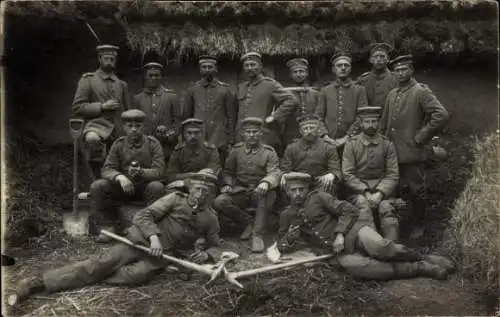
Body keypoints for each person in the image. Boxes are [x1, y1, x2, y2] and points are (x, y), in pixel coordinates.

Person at [8, 171, 223, 307]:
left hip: (162, 258)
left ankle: (88, 276)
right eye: (197, 188)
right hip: (140, 241)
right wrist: (154, 238)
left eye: (206, 191)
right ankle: (37, 283)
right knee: (102, 264)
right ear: (190, 188)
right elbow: (143, 215)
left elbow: (216, 245)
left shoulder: (211, 218)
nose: (201, 194)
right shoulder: (175, 199)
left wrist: (206, 254)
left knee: (134, 276)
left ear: (212, 194)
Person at [276, 172, 455, 281]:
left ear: (307, 189)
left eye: (301, 189)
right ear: (287, 192)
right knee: (373, 270)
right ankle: (420, 267)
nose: (298, 194)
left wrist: (339, 234)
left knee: (381, 248)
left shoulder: (319, 197)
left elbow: (349, 210)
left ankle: (426, 257)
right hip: (336, 252)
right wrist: (289, 240)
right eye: (294, 190)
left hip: (354, 231)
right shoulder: (286, 215)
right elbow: (281, 246)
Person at [379, 55, 450, 239]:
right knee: (394, 188)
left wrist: (420, 137)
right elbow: (385, 123)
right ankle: (395, 225)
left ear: (412, 71)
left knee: (416, 189)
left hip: (412, 151)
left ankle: (418, 224)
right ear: (393, 73)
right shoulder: (392, 94)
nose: (401, 73)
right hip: (392, 151)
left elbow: (440, 115)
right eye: (397, 70)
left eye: (404, 69)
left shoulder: (420, 91)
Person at [90, 109, 165, 243]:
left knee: (157, 186)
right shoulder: (118, 144)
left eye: (138, 126)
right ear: (124, 127)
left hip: (144, 188)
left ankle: (151, 230)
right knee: (98, 186)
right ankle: (108, 227)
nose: (134, 129)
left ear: (144, 126)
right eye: (130, 126)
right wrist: (120, 177)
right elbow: (107, 168)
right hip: (123, 188)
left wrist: (142, 172)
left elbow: (159, 171)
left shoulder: (153, 144)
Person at [213, 117, 281, 253]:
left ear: (261, 134)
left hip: (260, 191)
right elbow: (228, 172)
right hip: (241, 190)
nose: (251, 135)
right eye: (248, 132)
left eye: (255, 132)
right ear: (242, 134)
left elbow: (275, 172)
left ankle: (257, 234)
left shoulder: (269, 152)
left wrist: (266, 182)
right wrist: (228, 184)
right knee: (220, 201)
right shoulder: (236, 151)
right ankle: (248, 222)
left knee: (265, 195)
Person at [72, 45, 131, 177]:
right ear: (99, 59)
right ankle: (97, 179)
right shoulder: (88, 80)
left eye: (112, 58)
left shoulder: (122, 84)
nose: (110, 60)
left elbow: (128, 111)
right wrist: (102, 106)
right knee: (92, 139)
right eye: (106, 58)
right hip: (97, 126)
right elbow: (77, 108)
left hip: (118, 128)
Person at [342, 107, 400, 241]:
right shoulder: (351, 144)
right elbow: (347, 174)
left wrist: (380, 193)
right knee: (363, 205)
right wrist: (366, 192)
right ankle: (371, 243)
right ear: (361, 124)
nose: (371, 125)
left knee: (386, 208)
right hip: (358, 192)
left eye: (374, 121)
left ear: (378, 123)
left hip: (383, 190)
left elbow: (393, 174)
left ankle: (392, 245)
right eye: (367, 122)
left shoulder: (387, 144)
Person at [236, 52, 299, 156]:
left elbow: (292, 100)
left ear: (260, 66)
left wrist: (274, 117)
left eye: (253, 64)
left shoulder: (270, 84)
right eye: (247, 65)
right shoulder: (241, 87)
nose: (250, 68)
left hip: (263, 134)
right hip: (242, 136)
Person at [183, 55, 236, 166]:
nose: (207, 70)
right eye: (204, 67)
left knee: (219, 165)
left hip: (220, 137)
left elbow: (231, 116)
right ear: (200, 70)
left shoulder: (225, 90)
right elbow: (187, 116)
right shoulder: (192, 89)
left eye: (210, 67)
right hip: (198, 135)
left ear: (215, 69)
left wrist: (231, 139)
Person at [316, 52, 368, 156]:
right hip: (328, 142)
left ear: (350, 68)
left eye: (346, 65)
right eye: (339, 65)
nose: (343, 68)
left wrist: (346, 138)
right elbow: (318, 116)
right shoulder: (325, 90)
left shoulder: (359, 90)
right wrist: (325, 136)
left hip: (353, 141)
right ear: (333, 69)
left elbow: (362, 116)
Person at [281, 114, 341, 197]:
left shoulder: (328, 147)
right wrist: (285, 175)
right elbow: (285, 169)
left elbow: (335, 168)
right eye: (305, 129)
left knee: (325, 193)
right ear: (300, 131)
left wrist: (332, 174)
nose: (309, 131)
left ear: (318, 129)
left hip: (321, 182)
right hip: (299, 182)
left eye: (312, 128)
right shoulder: (291, 148)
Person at [132, 62, 182, 163]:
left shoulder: (171, 97)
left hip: (166, 147)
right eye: (150, 75)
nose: (154, 78)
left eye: (157, 75)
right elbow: (134, 123)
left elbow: (177, 122)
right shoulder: (138, 98)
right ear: (145, 77)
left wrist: (168, 136)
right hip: (144, 146)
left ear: (161, 77)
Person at [165, 118, 221, 185]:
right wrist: (192, 175)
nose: (193, 136)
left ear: (202, 133)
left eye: (196, 132)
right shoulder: (178, 151)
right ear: (184, 134)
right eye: (189, 133)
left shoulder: (211, 150)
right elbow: (170, 176)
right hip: (182, 186)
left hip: (205, 185)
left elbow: (213, 173)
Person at [282, 58, 322, 146]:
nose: (298, 74)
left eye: (301, 71)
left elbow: (320, 114)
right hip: (291, 135)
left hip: (312, 134)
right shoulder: (285, 94)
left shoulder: (315, 93)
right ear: (290, 75)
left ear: (307, 73)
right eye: (295, 72)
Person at [356, 43, 398, 109]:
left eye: (382, 56)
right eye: (375, 56)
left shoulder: (397, 79)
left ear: (387, 59)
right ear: (370, 60)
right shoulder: (362, 80)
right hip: (368, 117)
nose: (378, 59)